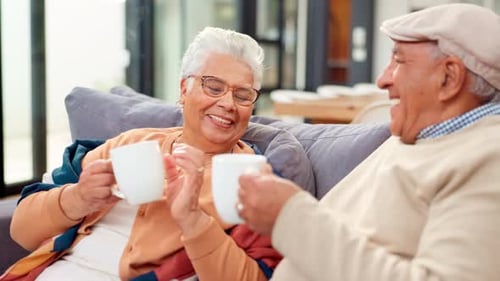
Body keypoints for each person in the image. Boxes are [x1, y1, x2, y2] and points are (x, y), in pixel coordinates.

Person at [237, 4, 500, 281]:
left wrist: (288, 216)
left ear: (449, 78)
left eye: (398, 61)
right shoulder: (419, 134)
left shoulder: (487, 159)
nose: (382, 80)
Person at [2, 27, 283, 281]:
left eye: (243, 95)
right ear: (184, 89)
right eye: (214, 87)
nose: (227, 103)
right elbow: (22, 231)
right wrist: (78, 198)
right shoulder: (130, 143)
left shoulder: (251, 177)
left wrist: (192, 218)